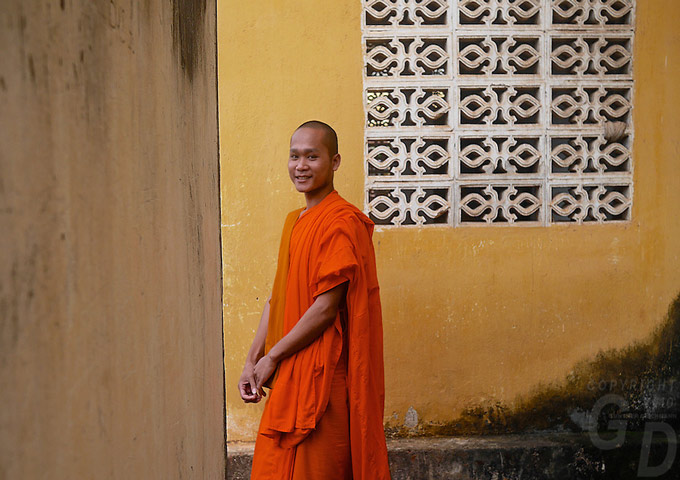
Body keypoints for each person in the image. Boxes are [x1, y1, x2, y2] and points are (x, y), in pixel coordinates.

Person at [238, 121, 391, 479]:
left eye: (312, 156)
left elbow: (324, 308)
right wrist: (252, 359)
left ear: (334, 162)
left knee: (317, 469)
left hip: (325, 373)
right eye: (294, 156)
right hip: (291, 367)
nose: (301, 166)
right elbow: (279, 298)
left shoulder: (342, 221)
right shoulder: (295, 221)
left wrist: (273, 356)